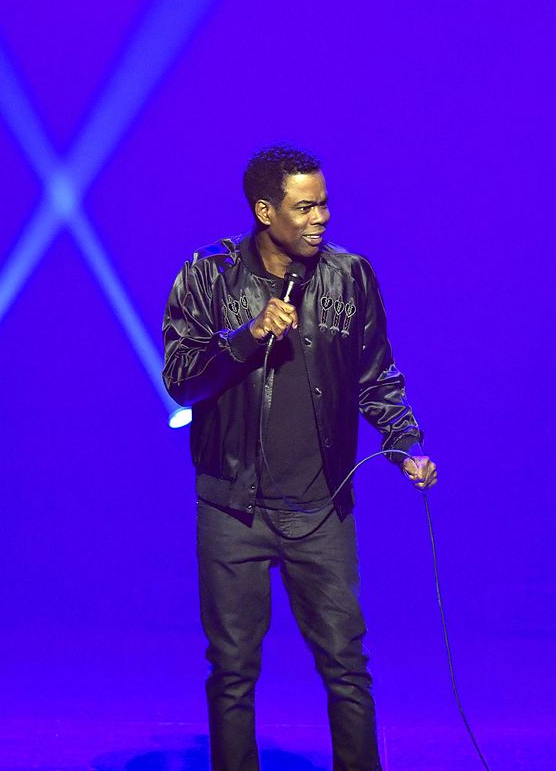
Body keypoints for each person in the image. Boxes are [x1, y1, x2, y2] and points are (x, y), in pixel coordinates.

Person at [162, 145, 437, 771]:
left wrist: (405, 447)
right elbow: (180, 380)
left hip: (321, 509)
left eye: (325, 204)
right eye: (304, 206)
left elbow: (375, 376)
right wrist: (246, 337)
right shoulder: (206, 276)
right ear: (265, 211)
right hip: (233, 508)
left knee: (347, 664)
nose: (321, 218)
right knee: (232, 669)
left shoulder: (351, 275)